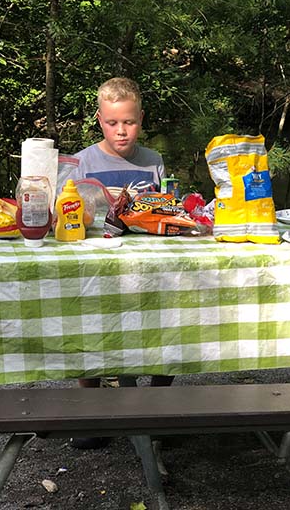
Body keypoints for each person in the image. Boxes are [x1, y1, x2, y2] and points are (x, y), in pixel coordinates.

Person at [67, 77, 174, 448]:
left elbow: (164, 213)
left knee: (168, 320)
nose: (121, 131)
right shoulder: (82, 162)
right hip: (97, 265)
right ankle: (91, 411)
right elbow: (70, 217)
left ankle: (160, 407)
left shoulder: (153, 162)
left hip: (147, 266)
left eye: (128, 122)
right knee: (88, 327)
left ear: (141, 119)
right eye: (112, 123)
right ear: (100, 121)